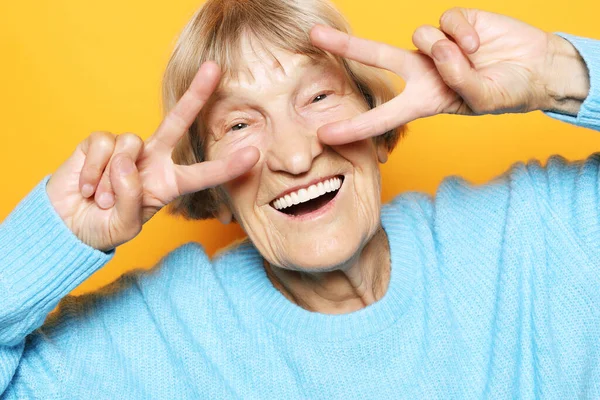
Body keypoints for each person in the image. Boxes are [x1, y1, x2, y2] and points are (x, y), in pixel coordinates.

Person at [1, 0, 599, 398]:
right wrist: (48, 244)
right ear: (211, 184)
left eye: (317, 98)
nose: (293, 155)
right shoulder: (158, 335)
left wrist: (558, 73)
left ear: (382, 122)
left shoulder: (536, 235)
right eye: (239, 125)